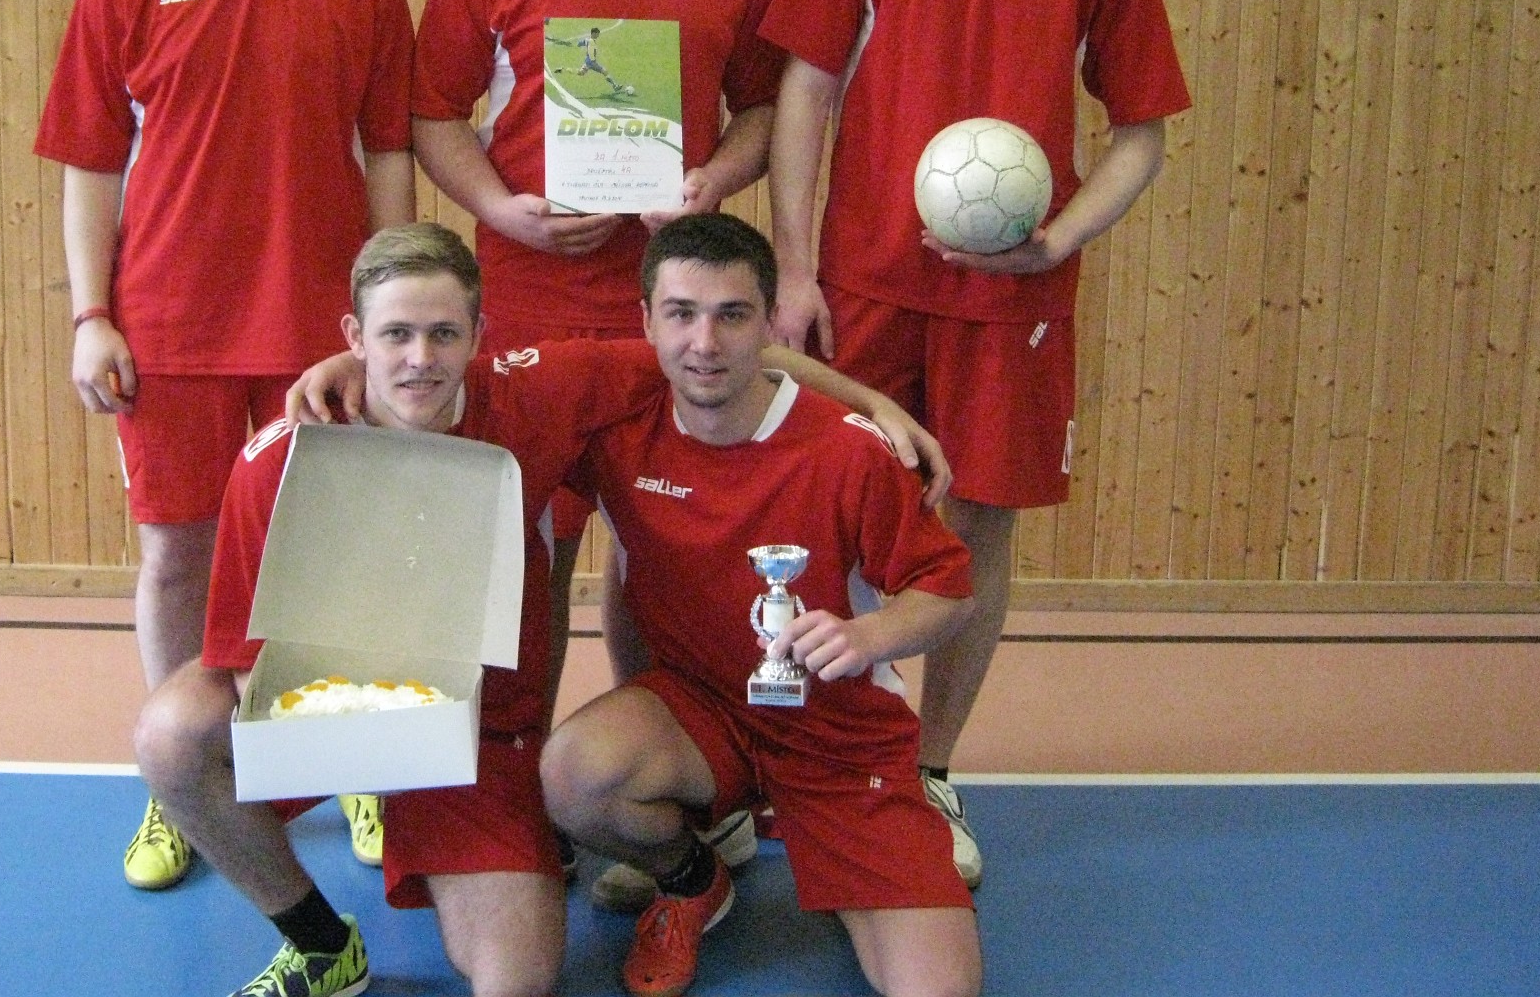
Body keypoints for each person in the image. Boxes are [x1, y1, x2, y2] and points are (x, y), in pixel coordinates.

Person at [136, 223, 939, 997]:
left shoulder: (536, 393)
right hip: (337, 716)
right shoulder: (279, 461)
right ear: (354, 336)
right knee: (173, 733)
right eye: (395, 335)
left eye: (443, 334)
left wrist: (879, 409)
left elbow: (721, 352)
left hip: (479, 737)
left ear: (480, 335)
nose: (420, 358)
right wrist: (360, 743)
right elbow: (244, 670)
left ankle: (680, 873)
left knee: (517, 979)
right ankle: (320, 946)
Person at [761, 0, 1193, 887]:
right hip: (866, 278)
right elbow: (807, 86)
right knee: (827, 510)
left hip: (1011, 304)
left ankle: (929, 767)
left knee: (978, 525)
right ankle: (825, 748)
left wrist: (1059, 240)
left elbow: (1142, 134)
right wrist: (796, 263)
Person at [34, 0, 415, 890]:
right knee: (178, 557)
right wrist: (91, 316)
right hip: (174, 327)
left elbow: (389, 155)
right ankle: (183, 785)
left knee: (331, 559)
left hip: (316, 330)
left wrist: (389, 313)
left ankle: (351, 760)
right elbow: (91, 166)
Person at [411, 0, 786, 765]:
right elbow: (431, 114)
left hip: (677, 310)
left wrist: (712, 181)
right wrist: (501, 209)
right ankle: (505, 766)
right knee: (528, 545)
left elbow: (766, 108)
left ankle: (659, 766)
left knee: (664, 545)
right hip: (530, 298)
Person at [542, 213, 982, 997]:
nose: (704, 343)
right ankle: (693, 879)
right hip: (700, 715)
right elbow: (464, 388)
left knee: (937, 990)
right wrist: (357, 361)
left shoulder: (849, 450)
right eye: (681, 314)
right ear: (646, 321)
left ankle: (847, 856)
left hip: (838, 741)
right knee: (575, 774)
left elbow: (948, 591)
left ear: (771, 323)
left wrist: (870, 634)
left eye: (732, 315)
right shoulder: (616, 430)